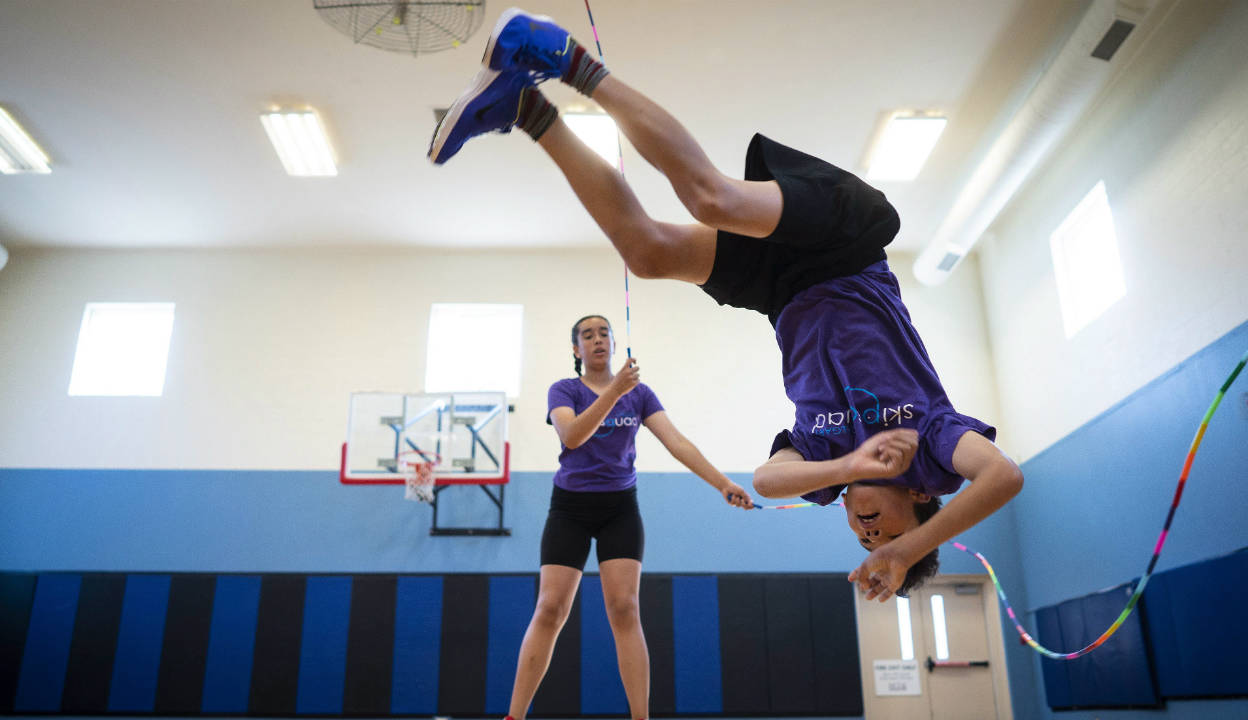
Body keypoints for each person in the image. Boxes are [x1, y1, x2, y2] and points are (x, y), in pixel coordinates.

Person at [429, 8, 1023, 602]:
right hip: (848, 250)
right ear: (921, 500)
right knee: (711, 197)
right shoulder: (933, 446)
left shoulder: (825, 462)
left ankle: (526, 110)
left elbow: (767, 480)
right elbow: (1003, 476)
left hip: (783, 292)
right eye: (885, 535)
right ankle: (563, 57)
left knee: (649, 252)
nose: (869, 535)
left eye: (863, 543)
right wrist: (904, 553)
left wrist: (848, 470)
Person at [502, 314, 752, 720]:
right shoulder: (564, 390)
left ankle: (640, 717)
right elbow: (573, 435)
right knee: (550, 608)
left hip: (619, 508)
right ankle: (514, 715)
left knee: (624, 608)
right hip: (570, 508)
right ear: (576, 349)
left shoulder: (640, 394)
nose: (598, 339)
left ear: (615, 343)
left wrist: (722, 483)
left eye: (604, 333)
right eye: (588, 335)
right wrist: (615, 389)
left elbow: (677, 442)